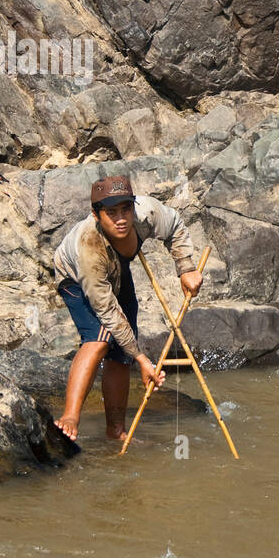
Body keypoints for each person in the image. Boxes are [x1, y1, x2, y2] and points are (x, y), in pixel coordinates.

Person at [51, 175, 202, 441]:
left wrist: (186, 269)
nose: (121, 219)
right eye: (111, 213)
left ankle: (116, 430)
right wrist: (143, 360)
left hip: (117, 267)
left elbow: (175, 225)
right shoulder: (89, 248)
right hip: (75, 277)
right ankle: (71, 415)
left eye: (126, 210)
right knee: (100, 339)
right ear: (97, 215)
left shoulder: (147, 212)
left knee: (122, 353)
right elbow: (108, 312)